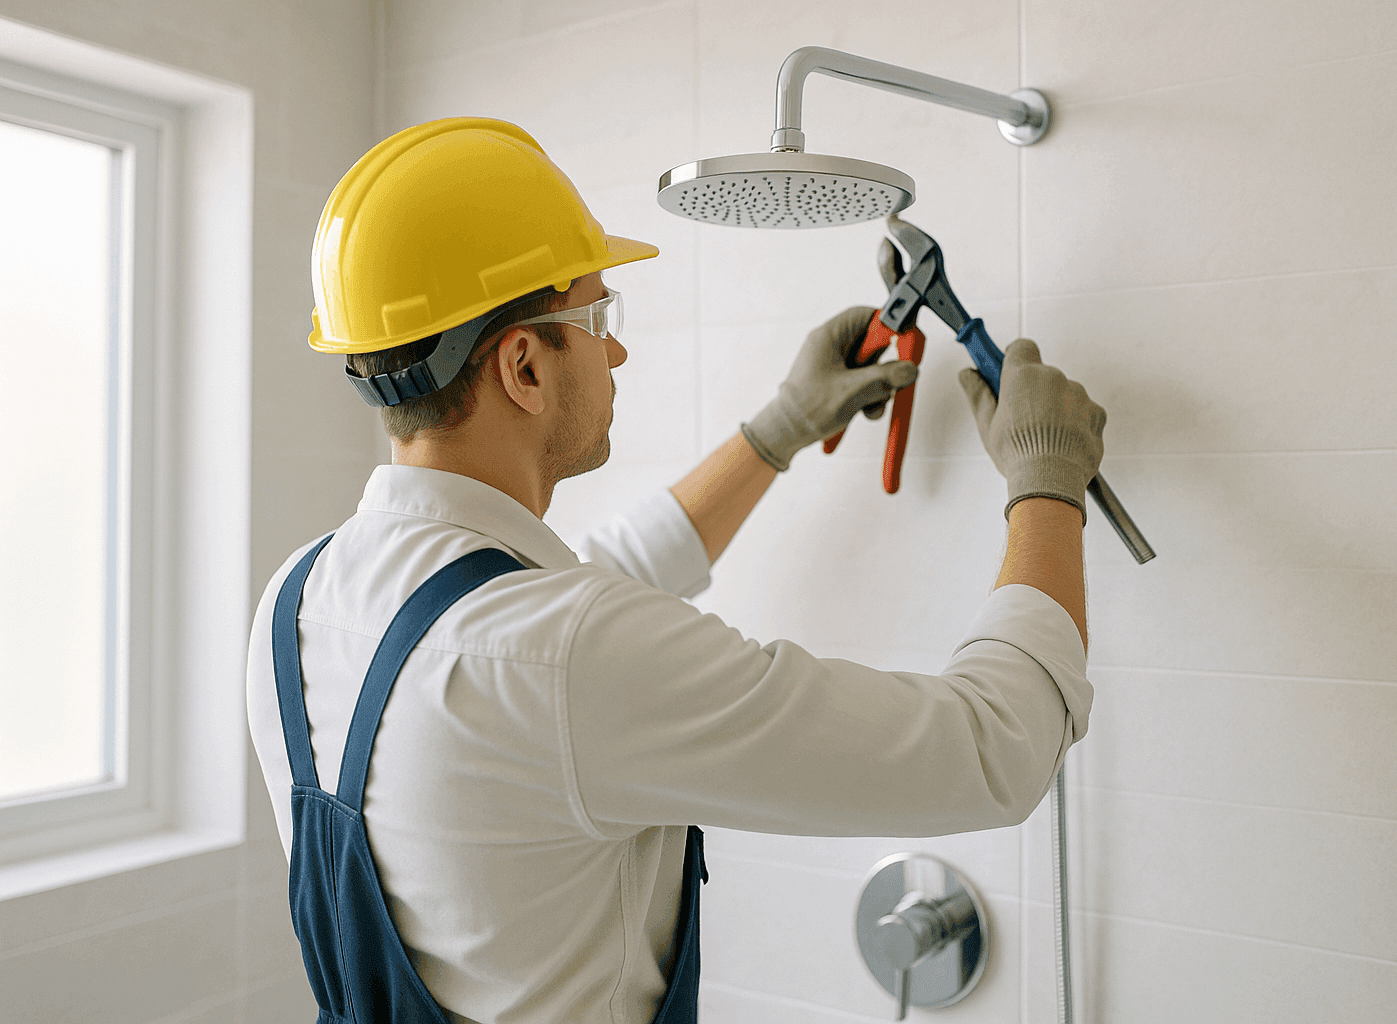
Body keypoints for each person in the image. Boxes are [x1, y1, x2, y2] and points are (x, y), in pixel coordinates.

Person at [247, 117, 1103, 1024]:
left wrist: (776, 429)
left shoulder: (298, 599)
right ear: (525, 366)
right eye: (596, 315)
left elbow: (569, 620)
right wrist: (1046, 486)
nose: (615, 348)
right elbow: (993, 751)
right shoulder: (562, 658)